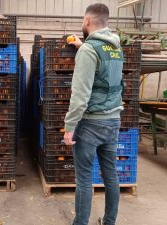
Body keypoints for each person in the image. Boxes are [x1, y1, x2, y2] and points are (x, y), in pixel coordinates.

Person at [63, 3, 124, 225]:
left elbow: (80, 95)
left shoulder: (90, 50)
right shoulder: (116, 48)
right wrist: (82, 46)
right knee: (110, 175)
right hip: (113, 120)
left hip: (90, 124)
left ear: (87, 21)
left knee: (84, 179)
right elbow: (112, 80)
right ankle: (109, 221)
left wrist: (70, 127)